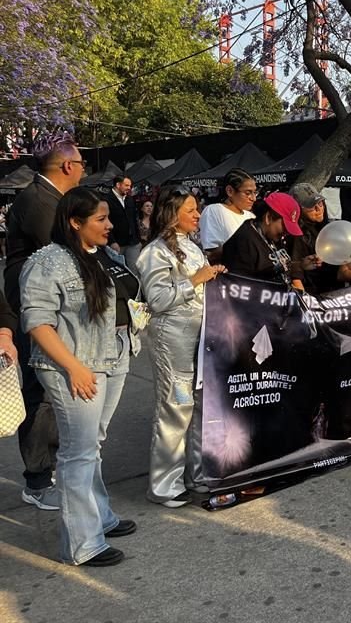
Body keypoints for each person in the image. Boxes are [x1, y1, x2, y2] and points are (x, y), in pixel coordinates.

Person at [19, 187, 142, 566]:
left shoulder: (101, 255)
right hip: (76, 366)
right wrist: (73, 367)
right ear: (75, 221)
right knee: (77, 453)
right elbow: (37, 322)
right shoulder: (48, 262)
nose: (110, 225)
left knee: (93, 445)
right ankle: (82, 544)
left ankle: (100, 518)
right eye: (101, 219)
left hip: (113, 356)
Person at [5, 132, 85, 511]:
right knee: (40, 390)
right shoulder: (38, 200)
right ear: (68, 166)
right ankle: (37, 479)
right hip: (35, 309)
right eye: (82, 163)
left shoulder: (54, 198)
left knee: (55, 390)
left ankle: (51, 467)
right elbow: (66, 249)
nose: (85, 170)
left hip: (56, 307)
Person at [137, 187, 226, 509]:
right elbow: (157, 299)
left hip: (199, 337)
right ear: (173, 214)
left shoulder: (191, 246)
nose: (198, 215)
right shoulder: (155, 252)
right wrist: (196, 280)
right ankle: (164, 485)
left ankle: (196, 474)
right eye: (191, 210)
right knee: (176, 407)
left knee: (199, 406)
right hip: (172, 339)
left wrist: (213, 276)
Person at [221, 192, 303, 284]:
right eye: (285, 227)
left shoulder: (271, 235)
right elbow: (240, 285)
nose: (287, 232)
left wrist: (302, 265)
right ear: (268, 217)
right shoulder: (245, 240)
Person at [287, 183, 340, 297]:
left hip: (332, 292)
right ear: (298, 209)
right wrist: (305, 304)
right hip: (312, 295)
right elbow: (295, 275)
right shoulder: (297, 234)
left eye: (320, 203)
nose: (319, 208)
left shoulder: (323, 227)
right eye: (311, 206)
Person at [198, 168, 257, 263]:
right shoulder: (214, 211)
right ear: (230, 191)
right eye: (248, 193)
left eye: (255, 192)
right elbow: (211, 252)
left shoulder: (251, 216)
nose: (253, 198)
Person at [107, 175, 139, 271]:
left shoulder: (130, 199)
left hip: (133, 242)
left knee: (135, 270)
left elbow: (133, 219)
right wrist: (112, 241)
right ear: (118, 185)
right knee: (120, 272)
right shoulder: (106, 200)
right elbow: (106, 222)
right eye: (126, 185)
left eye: (130, 186)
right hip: (117, 243)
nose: (129, 188)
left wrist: (137, 237)